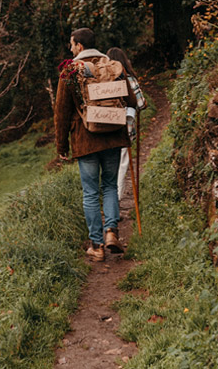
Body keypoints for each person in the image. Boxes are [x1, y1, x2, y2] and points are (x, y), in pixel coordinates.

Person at [55, 28, 136, 261]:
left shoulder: (70, 70)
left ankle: (97, 246)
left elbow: (61, 111)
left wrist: (62, 146)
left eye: (72, 45)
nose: (70, 49)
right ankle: (112, 232)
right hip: (112, 135)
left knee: (90, 193)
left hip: (85, 139)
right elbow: (131, 99)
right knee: (110, 186)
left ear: (79, 46)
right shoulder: (112, 66)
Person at [106, 47, 146, 201]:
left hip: (106, 128)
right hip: (125, 129)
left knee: (109, 167)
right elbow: (141, 103)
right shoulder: (129, 79)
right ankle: (115, 201)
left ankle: (108, 205)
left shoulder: (104, 80)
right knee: (122, 166)